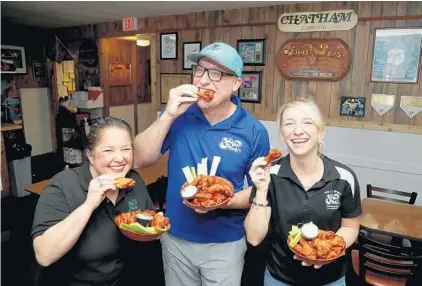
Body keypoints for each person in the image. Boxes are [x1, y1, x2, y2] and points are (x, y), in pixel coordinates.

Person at [133, 42, 270, 285]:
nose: (203, 81)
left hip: (225, 245)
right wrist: (168, 115)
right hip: (175, 238)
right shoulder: (179, 115)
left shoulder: (253, 131)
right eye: (200, 70)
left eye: (216, 73)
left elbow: (257, 188)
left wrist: (223, 203)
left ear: (236, 83)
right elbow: (139, 159)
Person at [245, 99, 362, 286]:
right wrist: (261, 190)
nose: (297, 131)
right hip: (279, 278)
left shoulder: (344, 177)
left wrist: (327, 251)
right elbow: (254, 237)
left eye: (307, 122)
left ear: (320, 132)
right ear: (282, 134)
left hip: (331, 279)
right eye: (289, 124)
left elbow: (350, 227)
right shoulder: (270, 174)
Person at [31, 117, 156, 286]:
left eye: (126, 149)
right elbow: (44, 255)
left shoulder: (134, 181)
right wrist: (89, 205)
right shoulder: (64, 185)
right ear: (90, 155)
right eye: (109, 151)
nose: (119, 158)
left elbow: (148, 226)